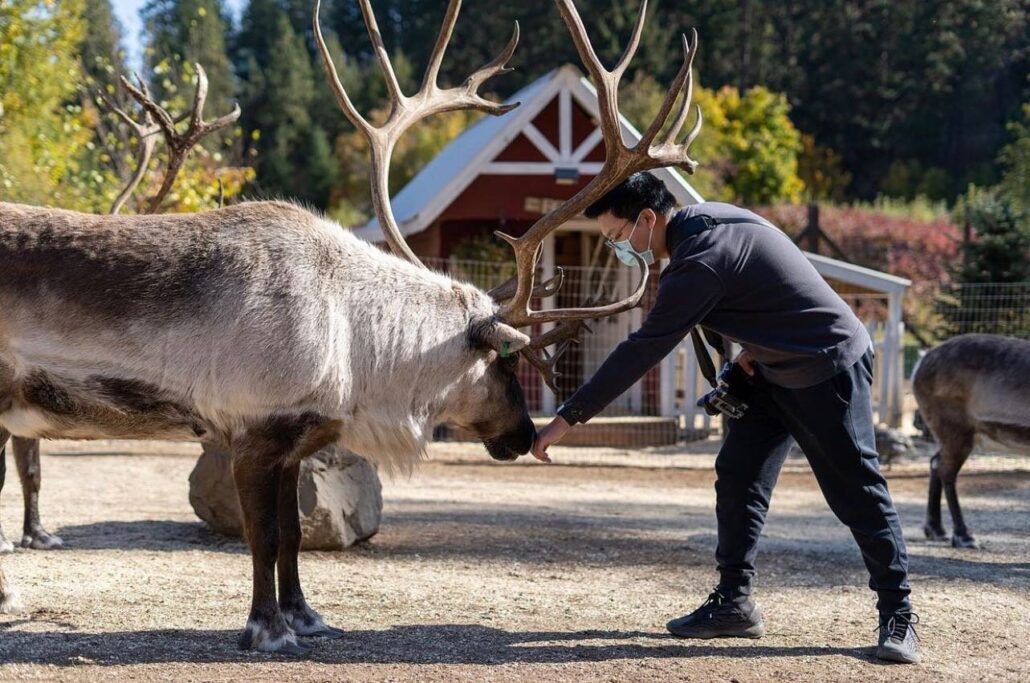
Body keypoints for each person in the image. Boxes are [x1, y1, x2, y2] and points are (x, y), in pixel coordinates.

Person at [532, 172, 919, 664]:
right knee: (739, 475)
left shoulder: (698, 261)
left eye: (616, 236)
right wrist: (746, 355)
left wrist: (565, 419)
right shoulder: (705, 221)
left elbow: (643, 349)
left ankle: (898, 615)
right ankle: (734, 603)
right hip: (768, 368)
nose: (617, 248)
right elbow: (765, 290)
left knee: (856, 489)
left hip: (828, 365)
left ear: (647, 218)